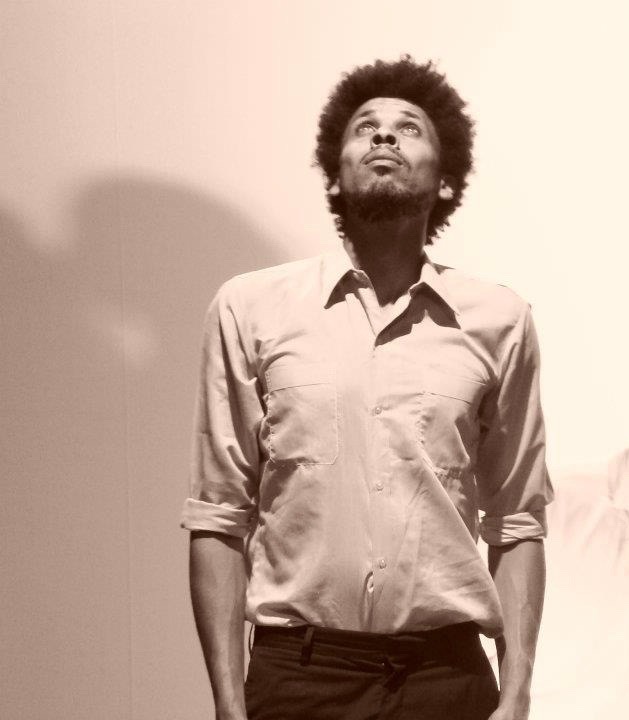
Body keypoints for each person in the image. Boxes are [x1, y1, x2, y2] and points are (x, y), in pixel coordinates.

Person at [181, 56, 553, 720]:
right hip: (299, 679)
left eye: (409, 127)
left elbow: (516, 520)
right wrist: (229, 704)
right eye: (364, 127)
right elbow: (218, 513)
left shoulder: (498, 319)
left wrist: (517, 691)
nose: (384, 135)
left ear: (445, 179)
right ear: (335, 171)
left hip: (447, 678)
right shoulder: (250, 308)